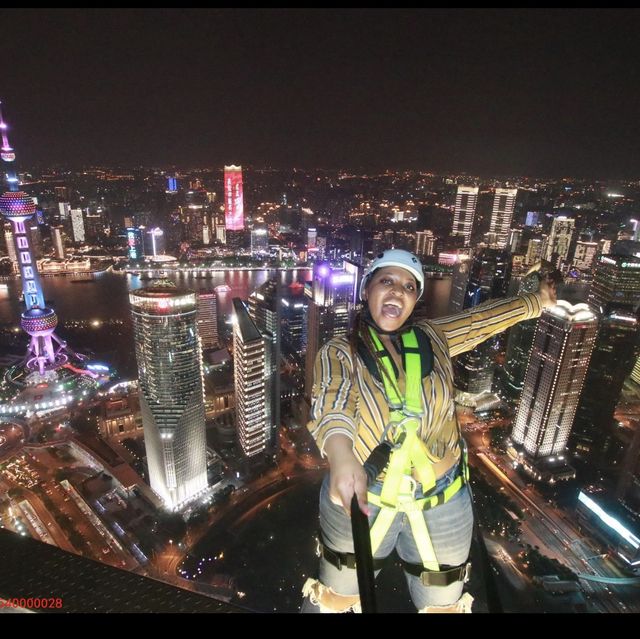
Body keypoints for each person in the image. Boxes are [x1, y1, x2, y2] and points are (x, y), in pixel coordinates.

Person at [301, 249, 557, 613]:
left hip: (444, 498)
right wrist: (342, 458)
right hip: (362, 492)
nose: (397, 292)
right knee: (334, 600)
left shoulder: (432, 337)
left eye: (409, 286)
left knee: (443, 603)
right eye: (386, 281)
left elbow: (478, 321)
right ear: (366, 290)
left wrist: (536, 301)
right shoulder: (341, 351)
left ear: (414, 300)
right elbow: (333, 403)